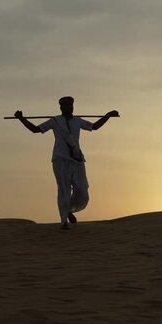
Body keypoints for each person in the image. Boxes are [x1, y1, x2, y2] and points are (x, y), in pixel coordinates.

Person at [14, 96, 118, 229]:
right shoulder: (55, 121)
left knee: (82, 189)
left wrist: (107, 116)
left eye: (71, 105)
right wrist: (21, 118)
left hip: (77, 159)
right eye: (67, 105)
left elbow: (95, 126)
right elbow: (35, 129)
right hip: (60, 159)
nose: (70, 107)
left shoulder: (78, 121)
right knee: (64, 189)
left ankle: (69, 209)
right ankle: (64, 221)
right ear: (61, 107)